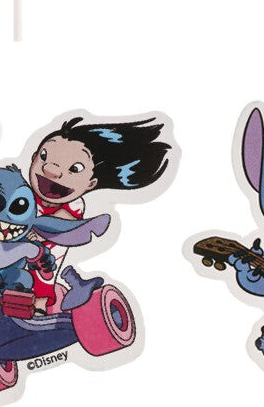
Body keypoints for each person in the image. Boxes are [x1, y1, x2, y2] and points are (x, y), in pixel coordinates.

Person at [25, 117, 171, 311]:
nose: (50, 170)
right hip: (4, 253)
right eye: (44, 156)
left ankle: (39, 310)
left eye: (74, 169)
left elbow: (61, 223)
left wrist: (38, 231)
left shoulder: (74, 205)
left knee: (38, 291)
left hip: (41, 266)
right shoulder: (20, 191)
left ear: (91, 184)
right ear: (33, 157)